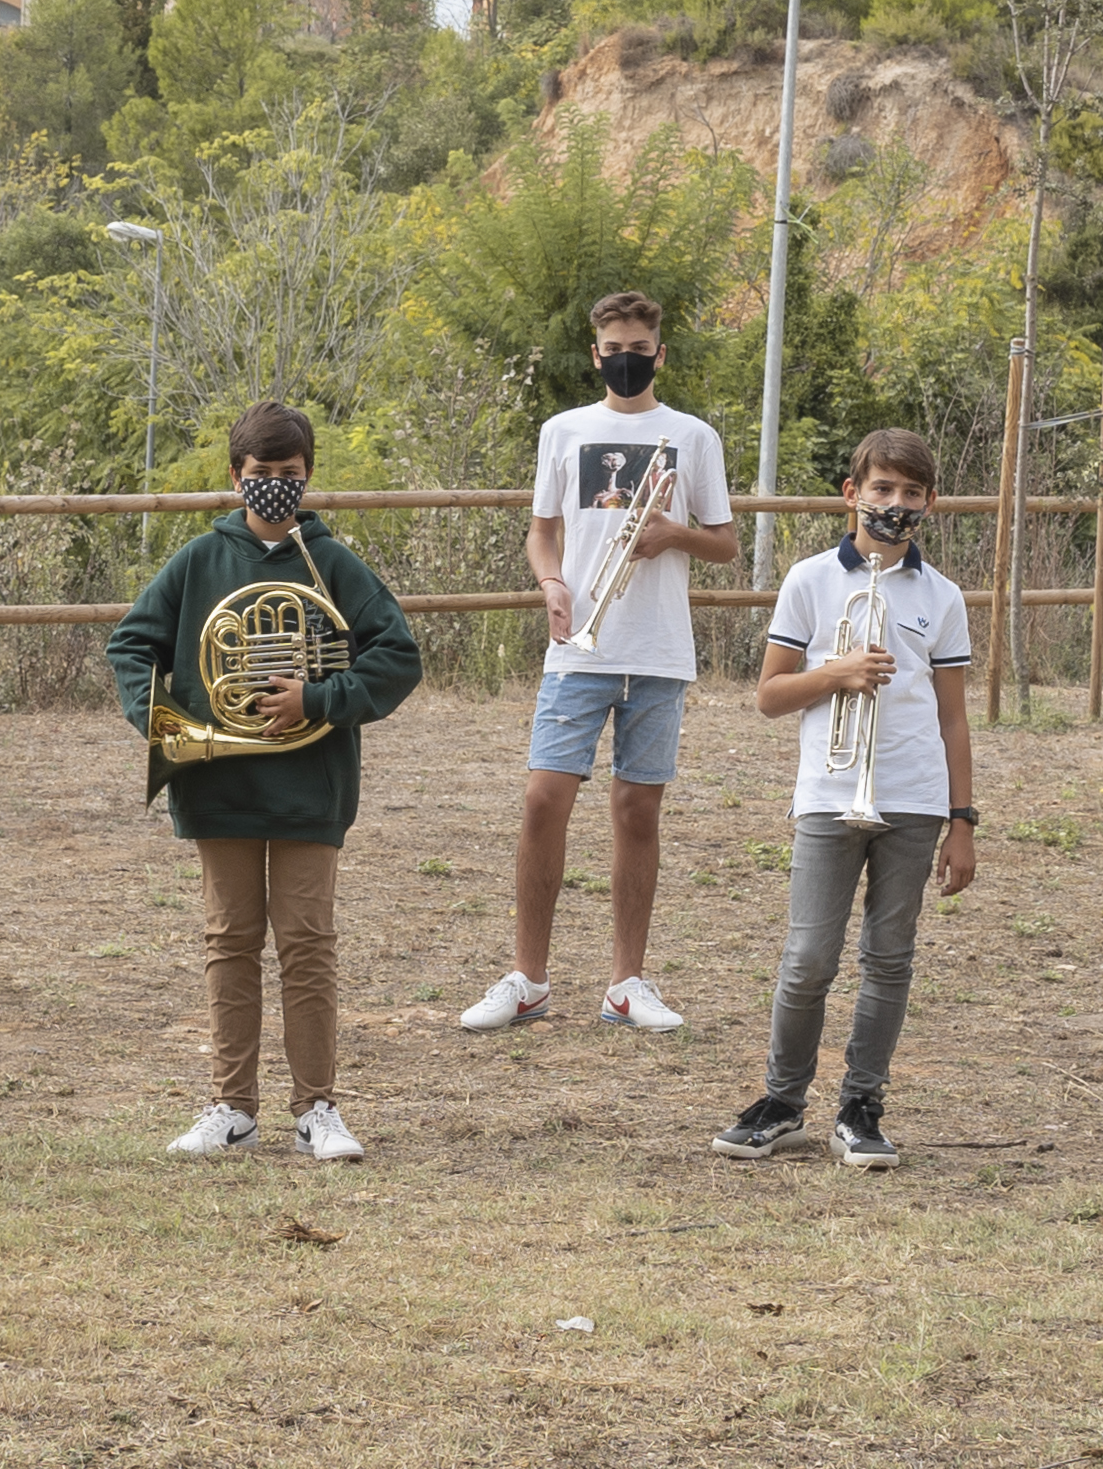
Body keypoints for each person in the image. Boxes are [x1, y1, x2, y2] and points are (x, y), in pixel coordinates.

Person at [109, 402, 422, 1163]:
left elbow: (398, 657)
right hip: (219, 782)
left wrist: (315, 699)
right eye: (262, 475)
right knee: (230, 940)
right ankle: (231, 1105)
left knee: (308, 944)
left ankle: (317, 1106)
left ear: (308, 475)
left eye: (290, 475)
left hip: (310, 785)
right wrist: (163, 723)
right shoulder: (198, 560)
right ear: (235, 477)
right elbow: (129, 645)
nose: (276, 486)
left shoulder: (332, 563)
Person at [460, 291, 738, 1034]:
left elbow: (726, 542)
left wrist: (670, 535)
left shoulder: (692, 435)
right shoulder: (563, 430)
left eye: (638, 348)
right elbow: (541, 532)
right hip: (577, 647)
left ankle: (627, 983)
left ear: (659, 352)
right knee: (544, 799)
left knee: (636, 810)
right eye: (613, 347)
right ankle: (528, 977)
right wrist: (551, 583)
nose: (625, 359)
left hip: (656, 648)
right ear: (595, 353)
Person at [713, 430, 977, 1170]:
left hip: (915, 798)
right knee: (807, 959)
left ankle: (862, 1105)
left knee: (889, 957)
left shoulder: (942, 596)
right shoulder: (809, 579)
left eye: (911, 493)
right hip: (831, 795)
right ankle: (783, 1100)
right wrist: (839, 672)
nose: (895, 504)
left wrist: (962, 821)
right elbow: (768, 694)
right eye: (882, 489)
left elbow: (954, 719)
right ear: (851, 492)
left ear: (930, 502)